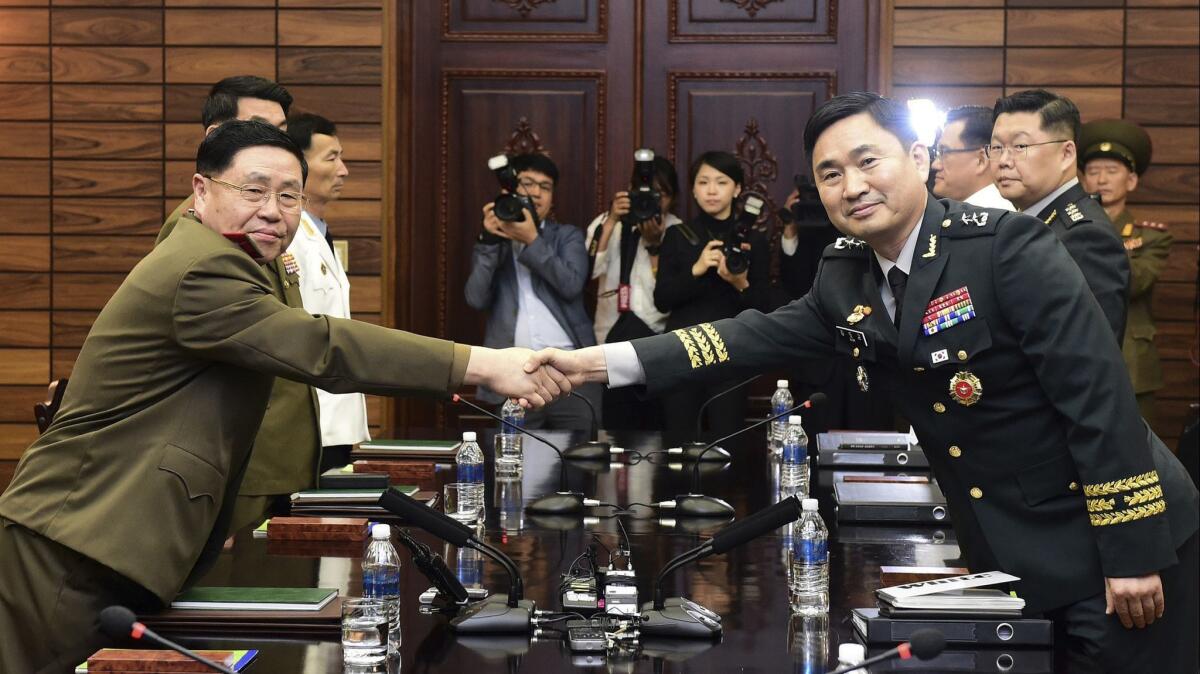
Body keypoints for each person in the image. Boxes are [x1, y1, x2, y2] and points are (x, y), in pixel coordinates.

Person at [531, 92, 1199, 673]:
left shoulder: (1003, 247)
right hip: (1016, 551)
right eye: (830, 174)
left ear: (916, 155)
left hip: (1115, 544)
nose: (851, 185)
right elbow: (741, 338)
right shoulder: (845, 273)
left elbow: (1098, 399)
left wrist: (1131, 551)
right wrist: (592, 363)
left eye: (866, 161)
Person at [0, 121, 568, 673]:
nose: (273, 210)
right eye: (253, 190)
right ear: (200, 191)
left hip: (109, 538)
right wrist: (484, 363)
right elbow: (323, 347)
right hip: (69, 544)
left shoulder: (225, 255)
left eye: (289, 196)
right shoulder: (201, 268)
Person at [464, 152, 601, 430]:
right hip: (514, 375)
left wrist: (532, 240)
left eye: (545, 187)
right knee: (515, 460)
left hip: (571, 371)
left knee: (581, 463)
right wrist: (489, 241)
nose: (536, 192)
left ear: (553, 198)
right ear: (510, 189)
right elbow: (475, 298)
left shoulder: (568, 236)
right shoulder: (495, 240)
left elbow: (571, 284)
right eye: (527, 183)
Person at [990, 89, 1129, 340]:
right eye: (997, 147)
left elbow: (1090, 355)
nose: (1004, 160)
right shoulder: (1025, 222)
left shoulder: (1085, 236)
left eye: (1020, 146)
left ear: (1066, 154)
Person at [653, 151, 770, 439]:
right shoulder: (677, 235)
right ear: (693, 189)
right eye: (703, 182)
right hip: (681, 351)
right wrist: (697, 268)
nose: (712, 190)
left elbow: (765, 306)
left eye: (721, 182)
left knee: (726, 441)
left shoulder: (753, 240)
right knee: (678, 442)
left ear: (737, 189)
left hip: (732, 352)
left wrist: (739, 281)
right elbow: (662, 300)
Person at [284, 112, 370, 469]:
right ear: (299, 165)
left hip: (339, 418)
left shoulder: (317, 231)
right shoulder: (289, 236)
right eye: (331, 158)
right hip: (312, 422)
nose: (344, 170)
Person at [1079, 119, 1173, 427]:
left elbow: (1135, 283)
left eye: (1112, 171)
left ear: (1131, 180)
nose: (1102, 179)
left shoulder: (1151, 237)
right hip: (1079, 359)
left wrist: (1097, 235)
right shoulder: (1069, 232)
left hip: (1132, 366)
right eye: (1093, 171)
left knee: (1140, 458)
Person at [584, 153, 681, 429]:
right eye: (646, 192)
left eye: (661, 194)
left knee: (652, 423)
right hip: (610, 336)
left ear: (672, 198)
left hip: (657, 338)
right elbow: (589, 269)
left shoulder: (677, 230)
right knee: (615, 425)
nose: (652, 199)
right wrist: (613, 219)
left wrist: (654, 245)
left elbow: (671, 290)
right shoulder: (608, 223)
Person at [930, 105, 1014, 210]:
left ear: (981, 160)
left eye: (944, 152)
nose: (935, 165)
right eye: (937, 153)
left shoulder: (989, 218)